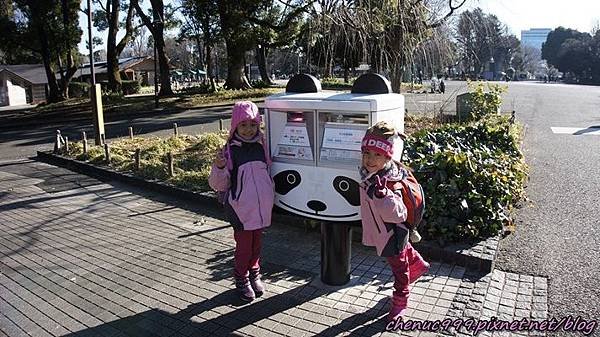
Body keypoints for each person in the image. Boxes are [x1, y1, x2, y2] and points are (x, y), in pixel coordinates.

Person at [359, 121, 430, 322]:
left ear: (388, 156)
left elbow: (398, 214)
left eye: (377, 155)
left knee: (399, 269)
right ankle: (417, 264)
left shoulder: (390, 181)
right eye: (367, 154)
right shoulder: (370, 175)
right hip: (385, 231)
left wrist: (384, 196)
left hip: (393, 232)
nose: (370, 160)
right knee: (401, 254)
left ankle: (400, 301)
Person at [208, 101, 275, 302]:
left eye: (252, 124)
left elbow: (268, 173)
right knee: (243, 248)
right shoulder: (229, 151)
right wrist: (219, 167)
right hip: (241, 210)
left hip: (261, 209)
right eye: (243, 125)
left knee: (256, 246)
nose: (248, 130)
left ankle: (255, 274)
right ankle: (241, 278)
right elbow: (219, 184)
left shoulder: (262, 146)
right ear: (235, 125)